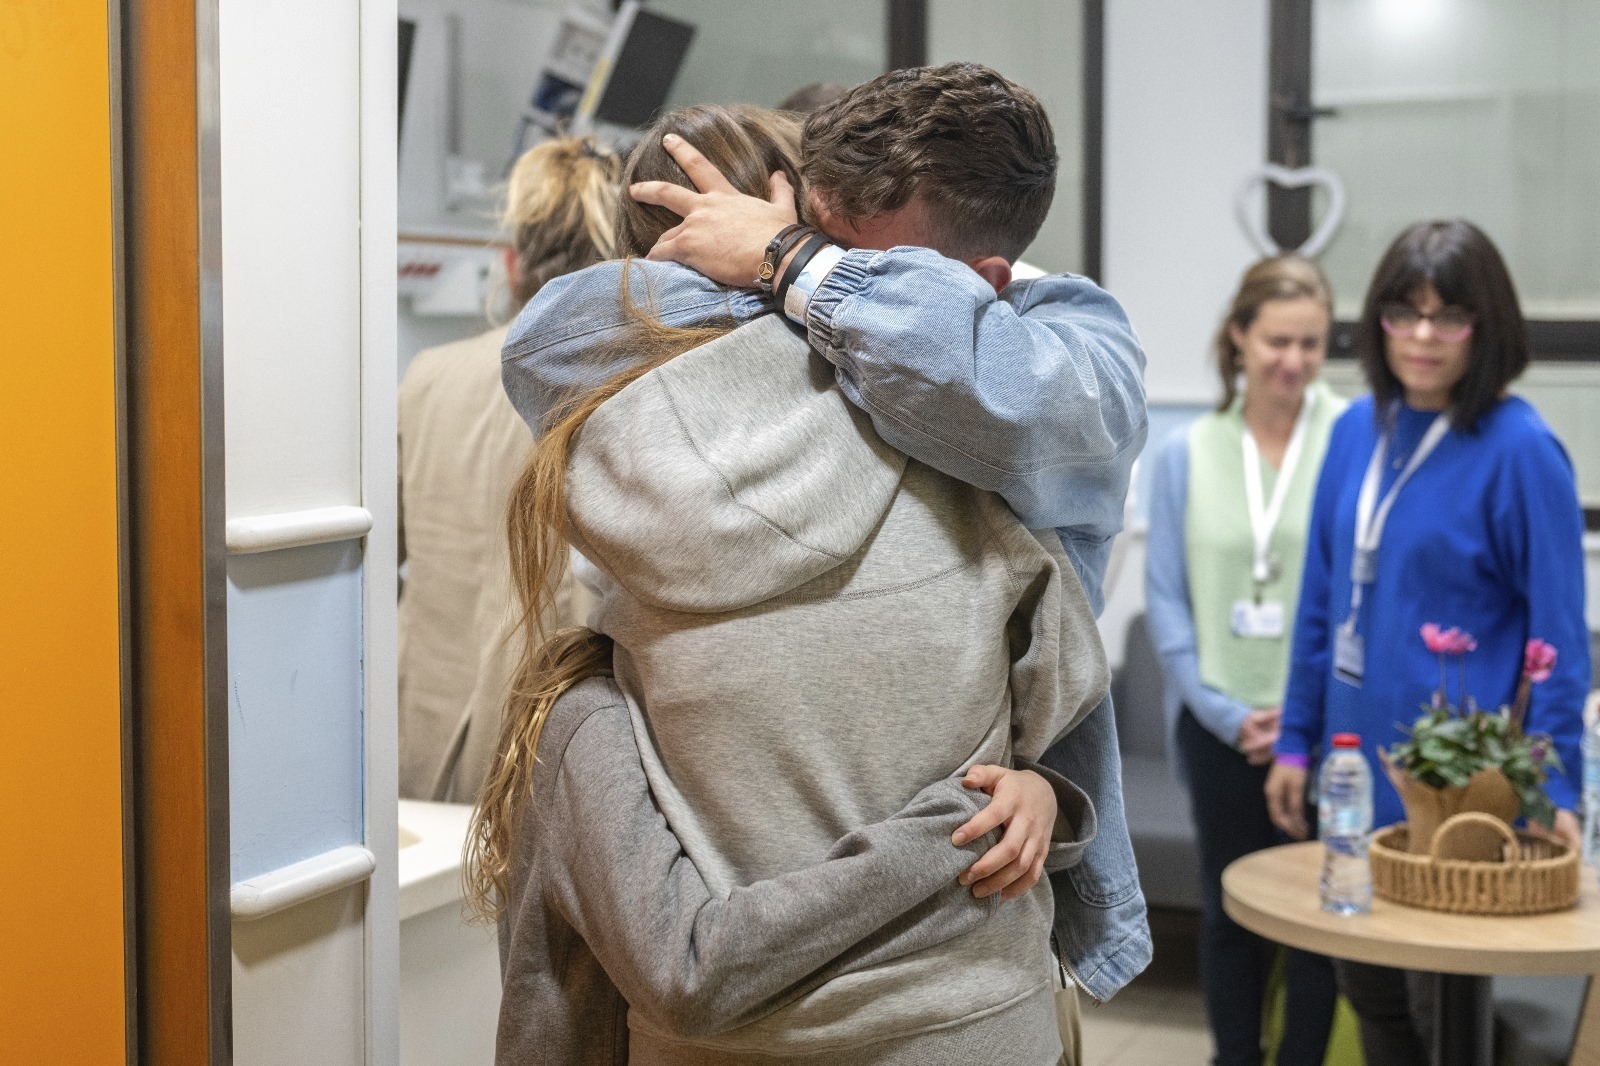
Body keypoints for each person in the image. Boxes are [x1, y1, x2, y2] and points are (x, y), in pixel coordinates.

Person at [504, 65, 1153, 1013]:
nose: (838, 316)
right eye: (816, 239)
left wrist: (790, 264)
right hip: (948, 952)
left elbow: (1003, 393)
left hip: (995, 849)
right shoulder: (802, 380)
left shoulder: (1046, 347)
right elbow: (541, 339)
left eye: (870, 276)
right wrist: (775, 280)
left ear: (981, 285)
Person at [1265, 220, 1589, 1062]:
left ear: (1489, 327)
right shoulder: (1353, 432)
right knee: (1374, 1005)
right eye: (1402, 314)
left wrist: (1558, 796)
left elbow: (1558, 643)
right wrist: (1296, 742)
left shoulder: (1522, 452)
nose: (1422, 337)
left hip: (1459, 801)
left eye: (1450, 317)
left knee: (1447, 1021)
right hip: (1353, 779)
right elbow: (1319, 605)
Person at [1145, 257, 1342, 1065]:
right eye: (1277, 342)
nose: (1293, 361)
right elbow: (1166, 600)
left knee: (1323, 919)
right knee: (1231, 915)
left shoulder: (1354, 435)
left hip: (1330, 733)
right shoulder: (1188, 454)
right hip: (1221, 725)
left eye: (1311, 343)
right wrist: (1225, 713)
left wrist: (1304, 720)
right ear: (1239, 338)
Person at [396, 136, 611, 800]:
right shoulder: (621, 389)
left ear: (510, 265)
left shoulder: (427, 379)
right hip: (543, 749)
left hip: (418, 739)